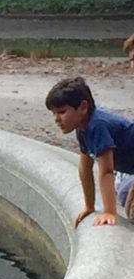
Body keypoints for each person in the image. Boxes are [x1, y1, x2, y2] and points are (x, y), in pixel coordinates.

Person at [45, 77, 134, 226]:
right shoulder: (82, 129)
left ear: (83, 107)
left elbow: (106, 171)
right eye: (54, 113)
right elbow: (85, 168)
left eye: (61, 112)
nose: (56, 119)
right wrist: (89, 206)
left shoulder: (97, 126)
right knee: (125, 196)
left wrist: (109, 212)